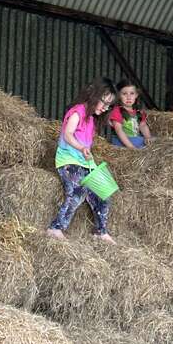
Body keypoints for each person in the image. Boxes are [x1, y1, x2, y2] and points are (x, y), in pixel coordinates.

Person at [47, 77, 117, 244]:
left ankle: (100, 231)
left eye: (109, 105)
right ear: (94, 95)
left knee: (104, 194)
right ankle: (55, 228)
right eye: (104, 103)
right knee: (77, 193)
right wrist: (81, 148)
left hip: (85, 162)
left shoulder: (92, 119)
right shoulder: (77, 111)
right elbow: (68, 134)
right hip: (69, 161)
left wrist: (87, 154)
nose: (105, 108)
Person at [109, 79, 152, 149]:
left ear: (136, 95)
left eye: (132, 93)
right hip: (121, 142)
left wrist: (148, 137)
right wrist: (131, 147)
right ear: (119, 95)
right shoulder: (117, 111)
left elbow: (143, 125)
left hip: (135, 140)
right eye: (124, 94)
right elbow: (119, 130)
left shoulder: (139, 111)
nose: (128, 97)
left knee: (153, 141)